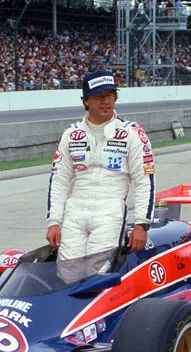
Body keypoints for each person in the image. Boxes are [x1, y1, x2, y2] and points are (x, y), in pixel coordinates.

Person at [46, 69, 156, 265]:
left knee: (98, 273)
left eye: (110, 96)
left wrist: (141, 224)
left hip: (110, 211)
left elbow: (144, 181)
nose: (105, 102)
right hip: (75, 212)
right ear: (86, 100)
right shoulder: (71, 135)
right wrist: (54, 221)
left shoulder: (132, 133)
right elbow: (59, 180)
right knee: (68, 272)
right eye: (99, 97)